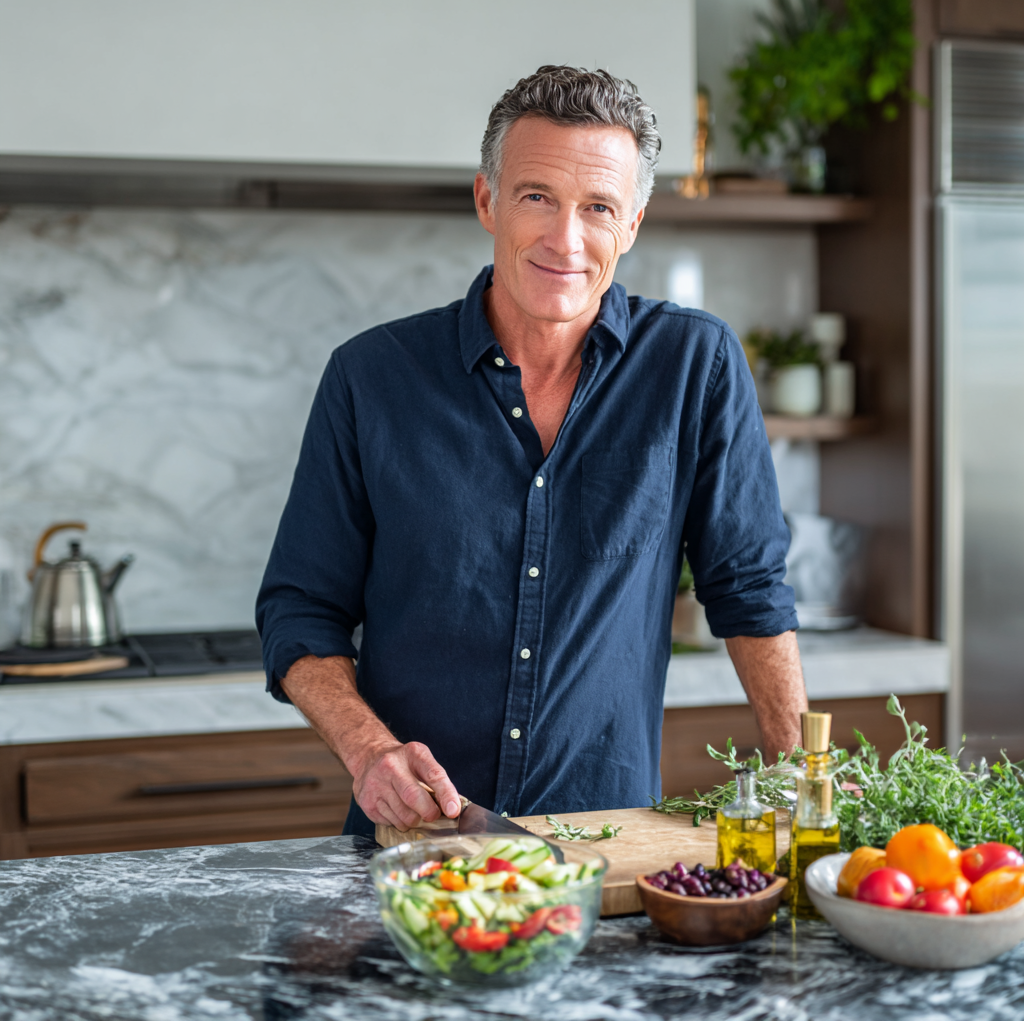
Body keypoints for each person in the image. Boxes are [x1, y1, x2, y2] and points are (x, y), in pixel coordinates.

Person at [256, 65, 808, 839]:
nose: (565, 239)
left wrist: (802, 781)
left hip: (604, 848)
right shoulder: (370, 377)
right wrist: (369, 750)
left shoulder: (694, 365)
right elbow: (299, 610)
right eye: (537, 197)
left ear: (635, 222)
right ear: (487, 200)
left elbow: (748, 586)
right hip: (413, 842)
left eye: (598, 207)